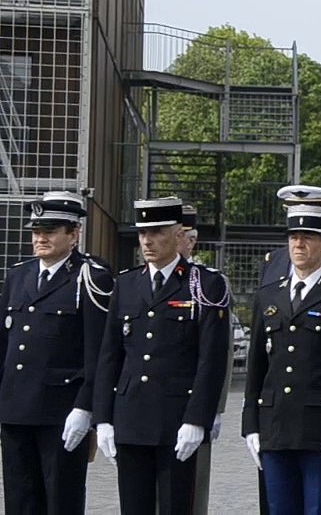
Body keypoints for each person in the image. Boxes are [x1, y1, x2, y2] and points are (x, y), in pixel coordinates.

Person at [93, 197, 231, 515]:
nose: (147, 241)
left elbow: (210, 360)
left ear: (177, 233)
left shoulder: (204, 285)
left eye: (156, 232)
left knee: (175, 505)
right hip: (131, 417)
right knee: (134, 506)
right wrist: (103, 419)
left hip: (175, 418)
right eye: (142, 234)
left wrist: (198, 419)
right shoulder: (126, 284)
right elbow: (110, 356)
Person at [242, 202, 321, 514]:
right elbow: (257, 364)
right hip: (274, 425)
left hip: (319, 427)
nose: (298, 244)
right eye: (293, 237)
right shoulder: (269, 296)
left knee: (318, 509)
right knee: (278, 508)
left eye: (308, 238)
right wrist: (251, 423)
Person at [0, 191, 113, 514]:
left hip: (61, 412)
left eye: (49, 231)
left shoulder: (90, 278)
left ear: (73, 233)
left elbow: (98, 353)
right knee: (20, 500)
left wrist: (85, 407)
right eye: (36, 231)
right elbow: (4, 344)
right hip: (15, 408)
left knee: (61, 500)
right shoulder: (18, 276)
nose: (41, 238)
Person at [180, 204, 235, 515]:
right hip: (146, 405)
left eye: (182, 236)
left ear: (192, 240)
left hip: (194, 399)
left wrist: (214, 408)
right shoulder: (136, 281)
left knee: (192, 490)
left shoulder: (208, 284)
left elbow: (221, 351)